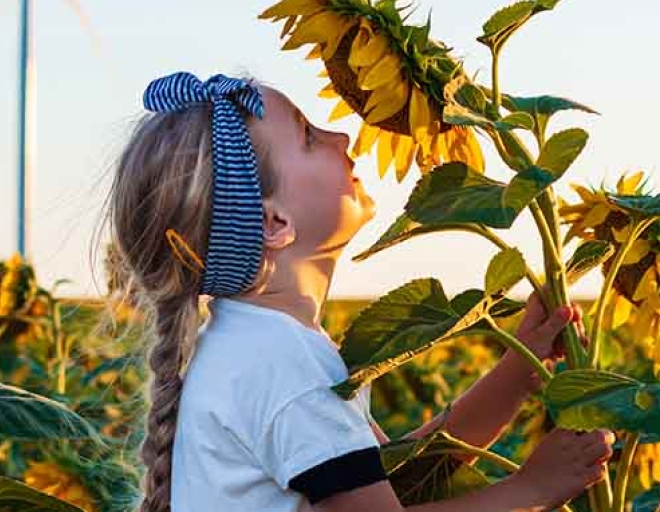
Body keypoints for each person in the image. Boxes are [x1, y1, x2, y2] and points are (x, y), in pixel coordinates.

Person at [99, 71, 613, 512]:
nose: (341, 138)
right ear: (274, 222)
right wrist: (531, 488)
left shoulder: (255, 346)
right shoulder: (282, 364)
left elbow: (395, 478)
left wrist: (515, 376)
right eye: (308, 136)